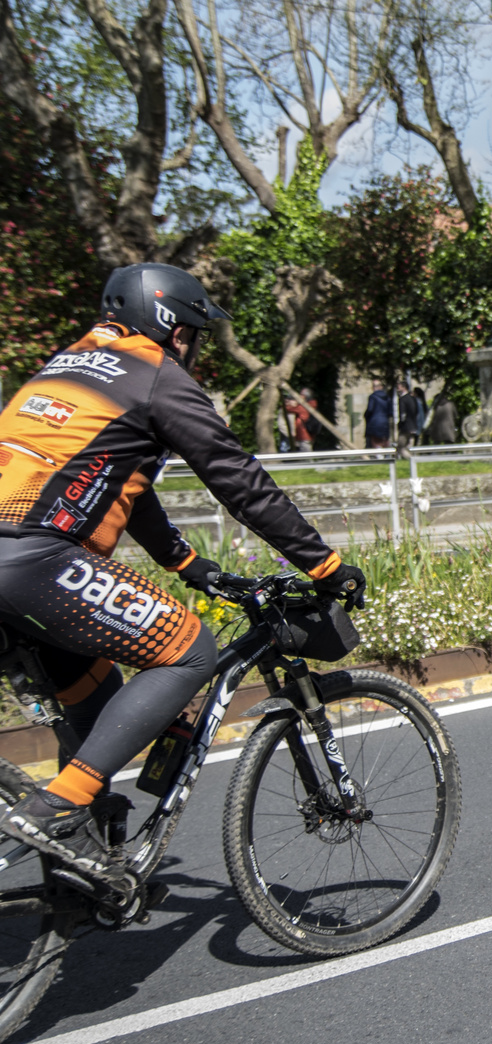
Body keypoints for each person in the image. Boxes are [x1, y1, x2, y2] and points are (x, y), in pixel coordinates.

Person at [0, 263, 366, 894]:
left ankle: (78, 868)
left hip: (18, 565)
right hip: (35, 559)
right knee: (189, 648)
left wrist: (188, 565)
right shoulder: (157, 378)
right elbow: (237, 481)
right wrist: (324, 564)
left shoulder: (66, 365)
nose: (195, 350)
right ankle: (60, 809)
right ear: (172, 327)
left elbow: (124, 481)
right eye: (194, 334)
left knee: (94, 696)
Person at [364, 378, 391, 449]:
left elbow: (370, 409)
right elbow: (390, 412)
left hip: (374, 423)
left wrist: (366, 416)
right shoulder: (387, 397)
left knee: (375, 443)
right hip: (385, 423)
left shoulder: (373, 397)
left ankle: (379, 458)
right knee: (384, 442)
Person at [284, 388, 314, 452]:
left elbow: (288, 409)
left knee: (306, 457)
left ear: (304, 397)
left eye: (300, 395)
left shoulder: (303, 407)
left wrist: (288, 403)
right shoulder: (311, 404)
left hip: (304, 436)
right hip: (307, 435)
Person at [396, 380, 420, 448]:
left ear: (404, 387)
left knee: (401, 448)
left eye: (399, 387)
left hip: (405, 427)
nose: (398, 389)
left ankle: (410, 458)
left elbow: (403, 414)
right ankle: (411, 457)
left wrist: (400, 423)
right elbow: (416, 411)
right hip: (413, 426)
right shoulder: (413, 398)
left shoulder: (403, 399)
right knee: (410, 447)